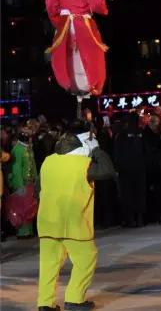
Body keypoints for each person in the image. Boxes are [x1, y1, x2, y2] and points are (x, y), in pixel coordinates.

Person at [37, 120, 116, 311]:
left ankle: (45, 304)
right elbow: (108, 170)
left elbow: (39, 188)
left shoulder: (48, 161)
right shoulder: (84, 164)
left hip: (48, 223)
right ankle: (74, 299)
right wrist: (96, 150)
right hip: (75, 224)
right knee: (86, 259)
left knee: (48, 265)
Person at [45, 0, 109, 97]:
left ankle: (69, 83)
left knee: (65, 55)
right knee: (90, 55)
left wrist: (58, 22)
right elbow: (97, 5)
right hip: (84, 23)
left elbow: (50, 6)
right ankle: (90, 84)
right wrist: (104, 8)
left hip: (65, 25)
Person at [8, 127, 38, 238]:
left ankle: (29, 231)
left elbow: (33, 164)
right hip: (22, 183)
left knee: (29, 207)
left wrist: (36, 178)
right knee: (21, 208)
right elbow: (16, 169)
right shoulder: (17, 150)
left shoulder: (27, 148)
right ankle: (22, 232)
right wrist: (19, 185)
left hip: (29, 183)